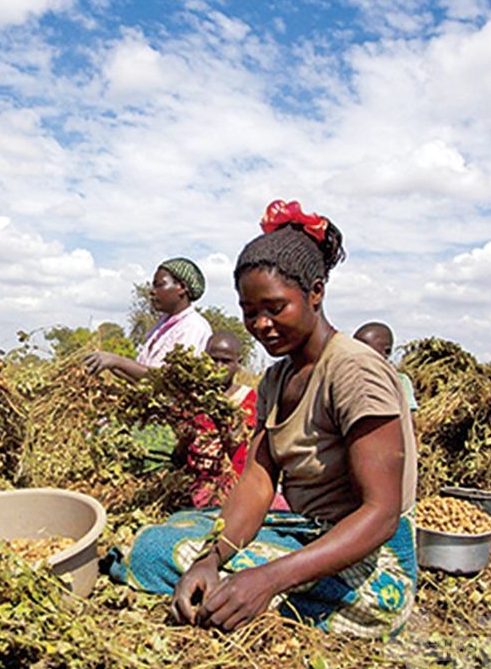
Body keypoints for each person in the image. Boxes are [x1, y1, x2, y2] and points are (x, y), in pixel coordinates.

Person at [107, 200, 418, 638]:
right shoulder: (277, 377)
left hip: (372, 562)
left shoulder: (355, 371)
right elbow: (257, 480)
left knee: (155, 553)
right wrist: (211, 559)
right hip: (304, 534)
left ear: (315, 292)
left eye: (275, 308)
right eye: (249, 312)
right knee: (167, 537)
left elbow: (381, 514)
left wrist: (269, 579)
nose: (261, 325)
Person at [84, 257, 212, 381]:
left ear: (182, 287)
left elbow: (171, 382)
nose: (152, 291)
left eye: (159, 285)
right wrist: (110, 364)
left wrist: (117, 361)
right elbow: (141, 379)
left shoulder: (193, 327)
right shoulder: (162, 324)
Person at [179, 331, 258, 509]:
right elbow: (181, 454)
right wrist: (185, 438)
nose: (218, 367)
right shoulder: (193, 398)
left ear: (239, 363)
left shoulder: (247, 400)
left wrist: (231, 436)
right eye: (213, 360)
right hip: (197, 481)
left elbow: (243, 453)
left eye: (226, 361)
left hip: (233, 483)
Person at [354, 322, 418, 411]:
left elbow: (407, 417)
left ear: (386, 352)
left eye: (363, 348)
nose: (355, 352)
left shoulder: (399, 381)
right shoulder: (346, 379)